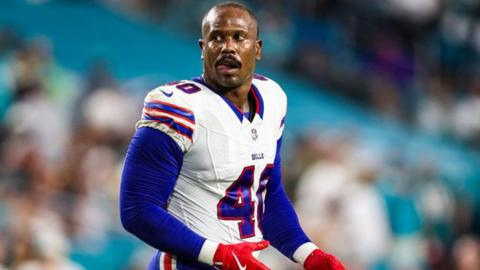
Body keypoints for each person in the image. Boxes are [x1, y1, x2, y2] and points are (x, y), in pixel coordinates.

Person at [119, 2, 345, 270]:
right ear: (203, 48)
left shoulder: (272, 98)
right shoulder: (179, 106)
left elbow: (266, 194)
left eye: (239, 37)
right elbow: (137, 210)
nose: (228, 47)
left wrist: (309, 254)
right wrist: (218, 254)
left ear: (257, 48)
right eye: (217, 37)